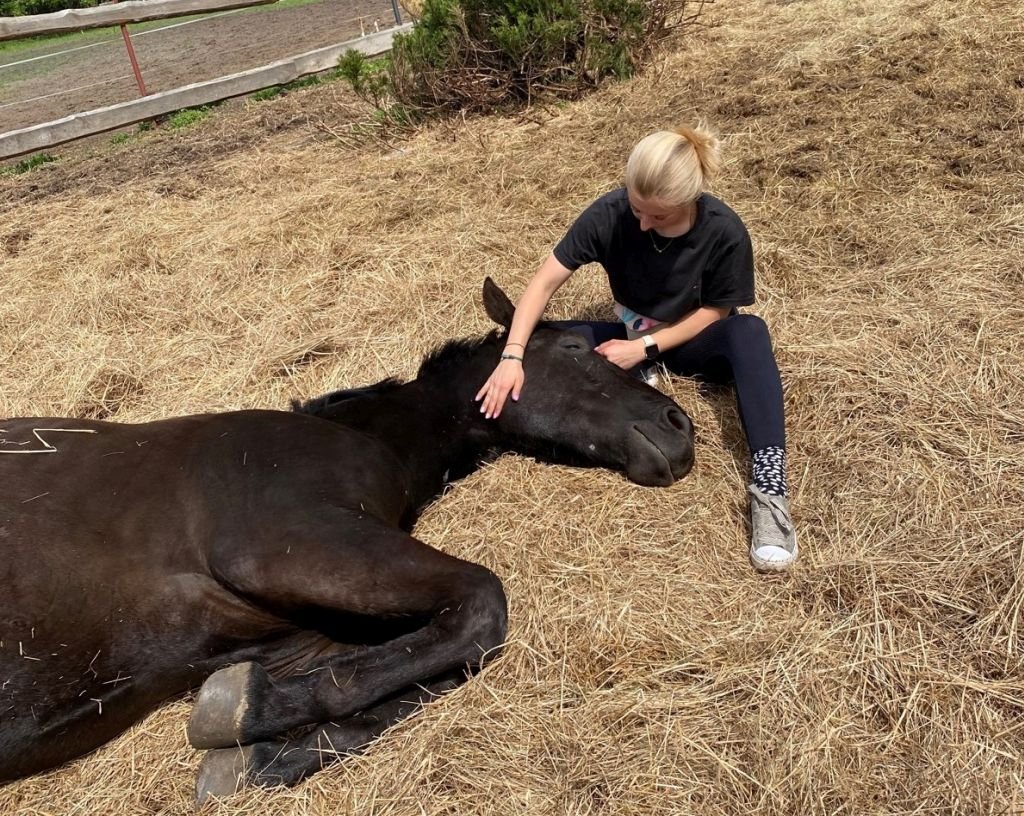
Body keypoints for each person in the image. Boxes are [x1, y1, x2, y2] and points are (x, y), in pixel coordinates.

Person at [474, 124, 797, 572]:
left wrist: (644, 348)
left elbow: (716, 312)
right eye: (636, 208)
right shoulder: (610, 211)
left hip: (689, 338)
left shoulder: (725, 231)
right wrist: (513, 354)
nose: (643, 223)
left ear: (688, 202)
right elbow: (546, 279)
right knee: (547, 340)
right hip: (628, 330)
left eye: (658, 217)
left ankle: (770, 486)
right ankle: (539, 341)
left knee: (750, 333)